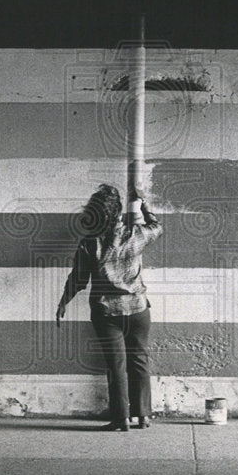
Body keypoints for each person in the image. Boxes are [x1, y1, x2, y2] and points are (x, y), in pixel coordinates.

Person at [56, 184, 163, 431]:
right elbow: (157, 227)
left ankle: (121, 419)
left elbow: (78, 279)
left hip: (107, 313)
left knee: (116, 367)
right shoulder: (136, 235)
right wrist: (144, 203)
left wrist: (63, 301)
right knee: (140, 361)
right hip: (138, 309)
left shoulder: (89, 244)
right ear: (117, 213)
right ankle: (144, 416)